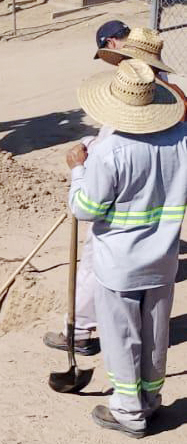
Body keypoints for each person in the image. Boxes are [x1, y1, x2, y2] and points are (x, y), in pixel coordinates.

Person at [68, 59, 187, 437]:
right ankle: (151, 401)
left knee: (122, 338)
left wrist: (77, 171)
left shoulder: (111, 151)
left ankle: (129, 411)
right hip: (163, 260)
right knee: (155, 335)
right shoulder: (181, 141)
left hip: (118, 264)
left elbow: (85, 209)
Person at [43, 21, 131, 356]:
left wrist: (81, 168)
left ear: (111, 43)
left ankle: (79, 332)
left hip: (115, 193)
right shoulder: (160, 82)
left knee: (95, 259)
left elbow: (85, 207)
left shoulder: (130, 86)